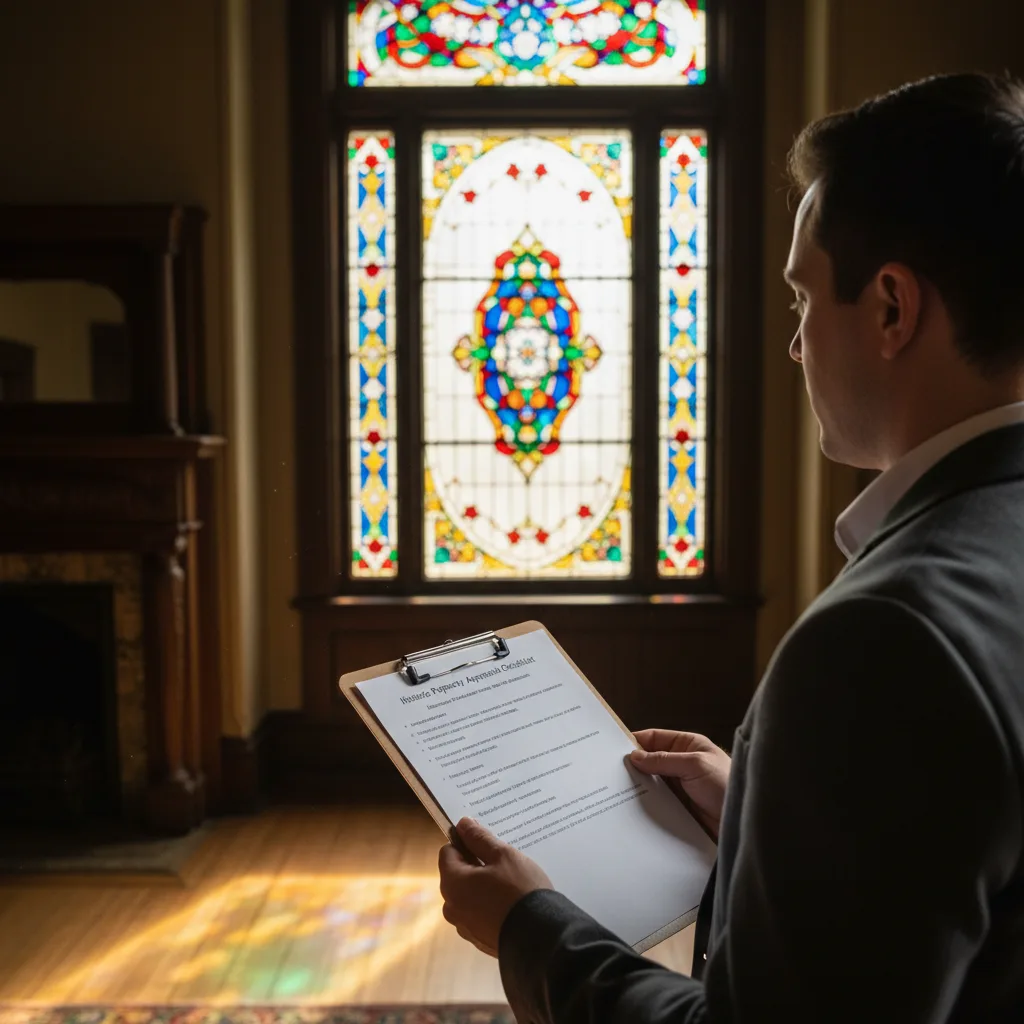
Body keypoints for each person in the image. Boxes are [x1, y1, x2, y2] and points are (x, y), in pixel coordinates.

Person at [436, 71, 1024, 1022]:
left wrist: (526, 925)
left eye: (801, 301)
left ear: (890, 309)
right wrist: (759, 812)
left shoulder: (885, 637)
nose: (794, 347)